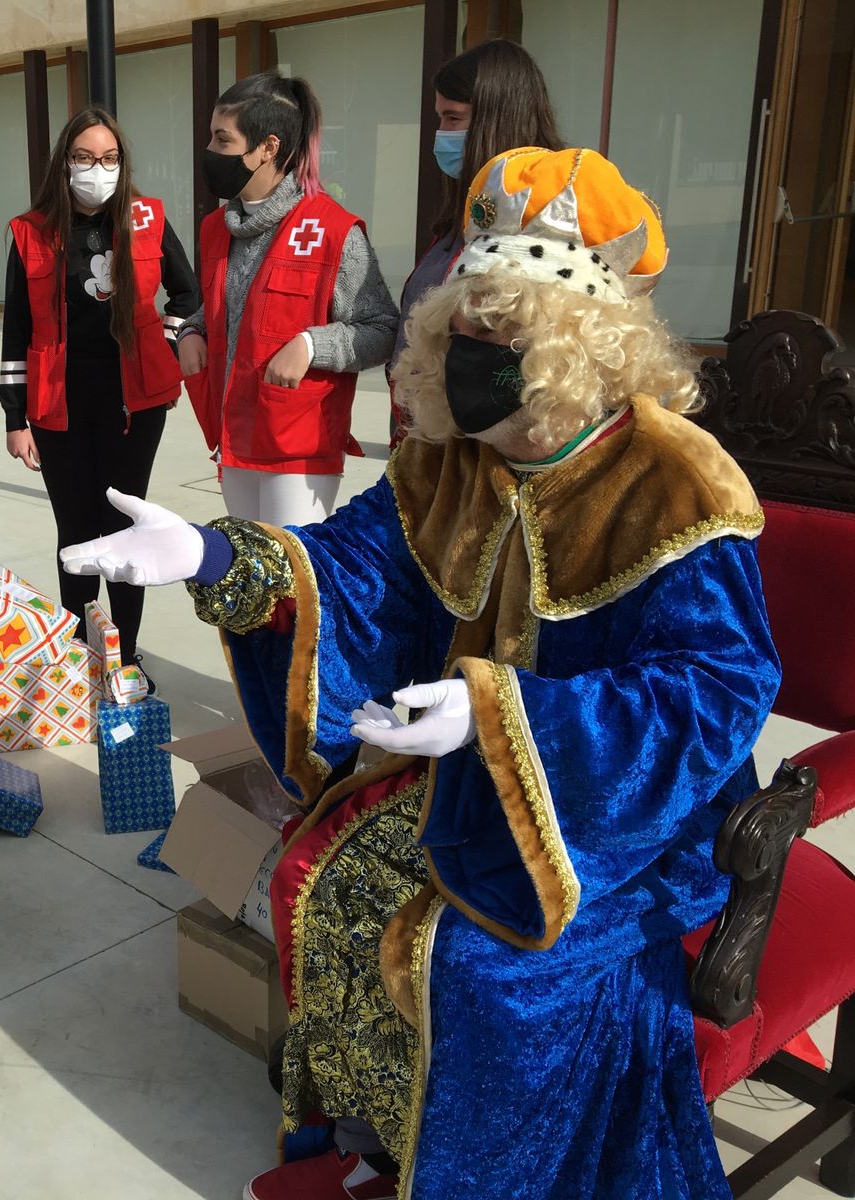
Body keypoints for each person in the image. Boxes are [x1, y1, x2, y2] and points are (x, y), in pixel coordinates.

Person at [61, 148, 778, 1200]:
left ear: (577, 350)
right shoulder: (451, 460)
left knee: (480, 967)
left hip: (615, 815)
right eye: (462, 330)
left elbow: (714, 692)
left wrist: (499, 712)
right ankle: (393, 1137)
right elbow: (350, 567)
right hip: (468, 764)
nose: (469, 355)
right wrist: (214, 558)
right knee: (323, 873)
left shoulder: (674, 481)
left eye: (502, 332)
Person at [0, 107, 199, 675]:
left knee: (126, 526)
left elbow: (189, 296)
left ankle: (127, 655)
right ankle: (84, 657)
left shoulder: (148, 218)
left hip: (133, 406)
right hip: (58, 405)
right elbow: (16, 328)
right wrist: (15, 418)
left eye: (109, 159)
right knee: (77, 530)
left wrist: (158, 339)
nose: (97, 169)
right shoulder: (32, 230)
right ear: (64, 163)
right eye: (85, 158)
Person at [174, 71, 397, 529]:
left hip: (297, 445)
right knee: (251, 580)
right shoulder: (216, 229)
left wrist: (312, 345)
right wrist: (192, 330)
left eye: (223, 140)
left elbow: (380, 328)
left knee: (291, 589)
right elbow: (224, 308)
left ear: (267, 148)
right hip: (233, 437)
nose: (211, 153)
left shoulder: (334, 230)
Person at [388, 39, 565, 443]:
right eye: (440, 118)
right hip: (426, 442)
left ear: (495, 119)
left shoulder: (549, 217)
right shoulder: (463, 216)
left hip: (487, 450)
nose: (441, 134)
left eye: (453, 119)